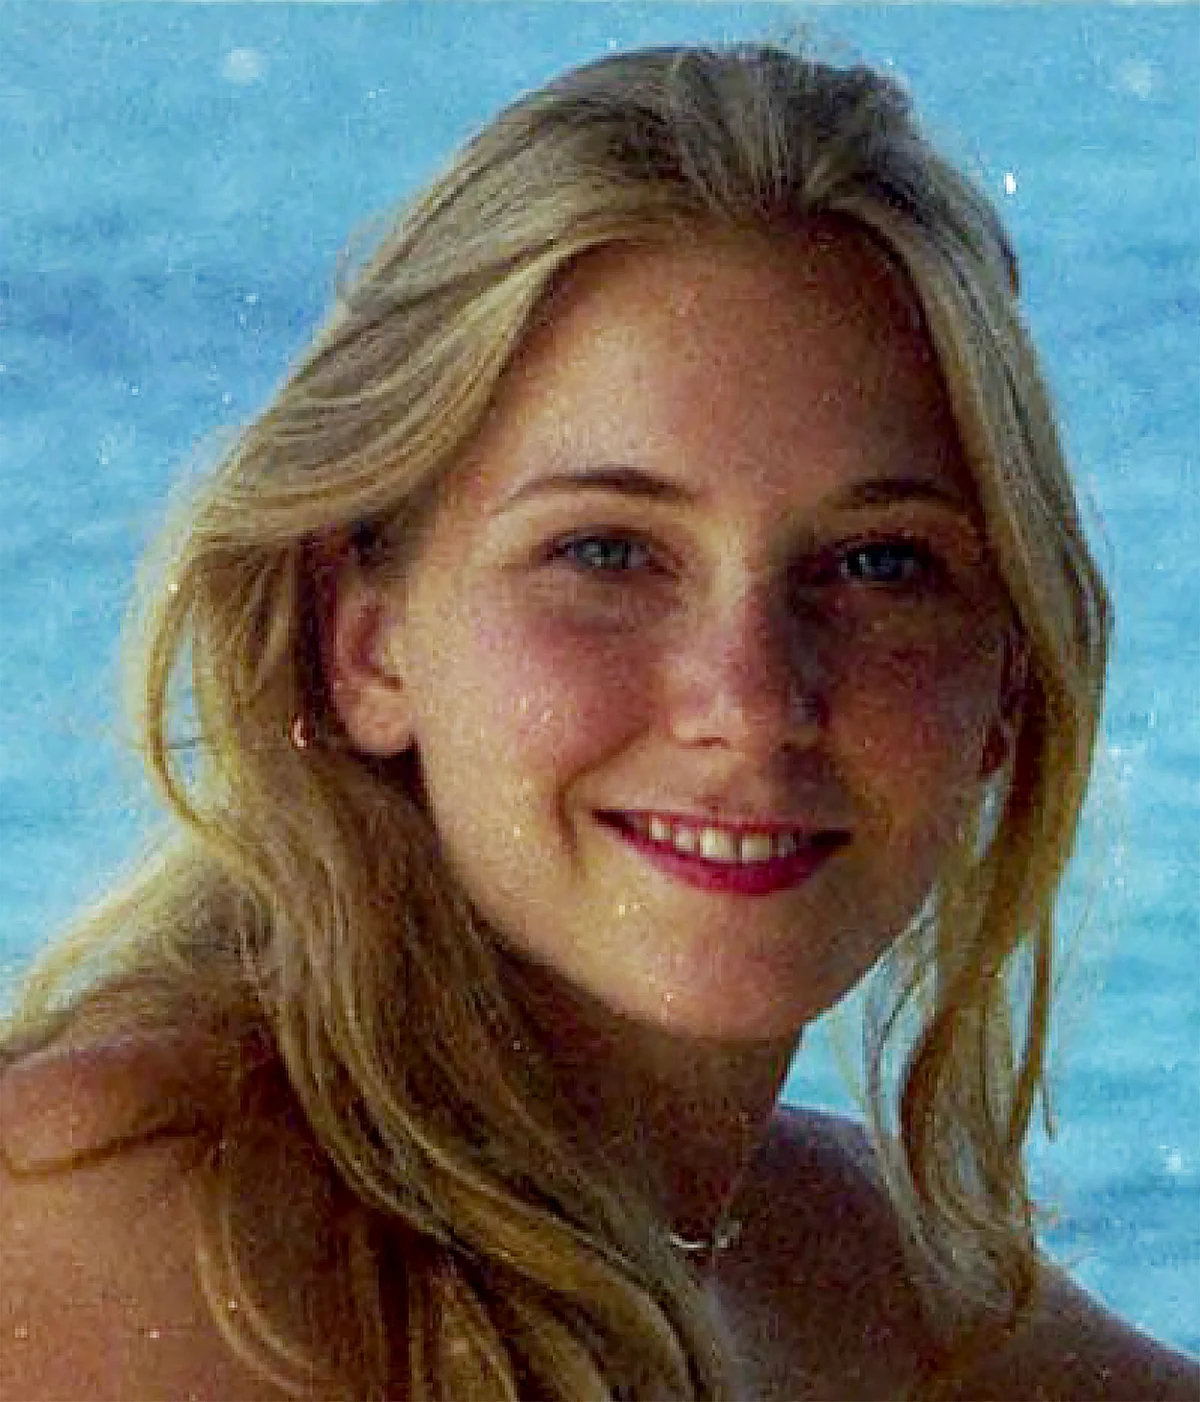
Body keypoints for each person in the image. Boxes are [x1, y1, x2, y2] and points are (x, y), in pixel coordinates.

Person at [0, 40, 1196, 1402]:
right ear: (365, 639)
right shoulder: (128, 1214)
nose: (751, 701)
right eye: (608, 553)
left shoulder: (839, 1270)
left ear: (1008, 685)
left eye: (879, 563)